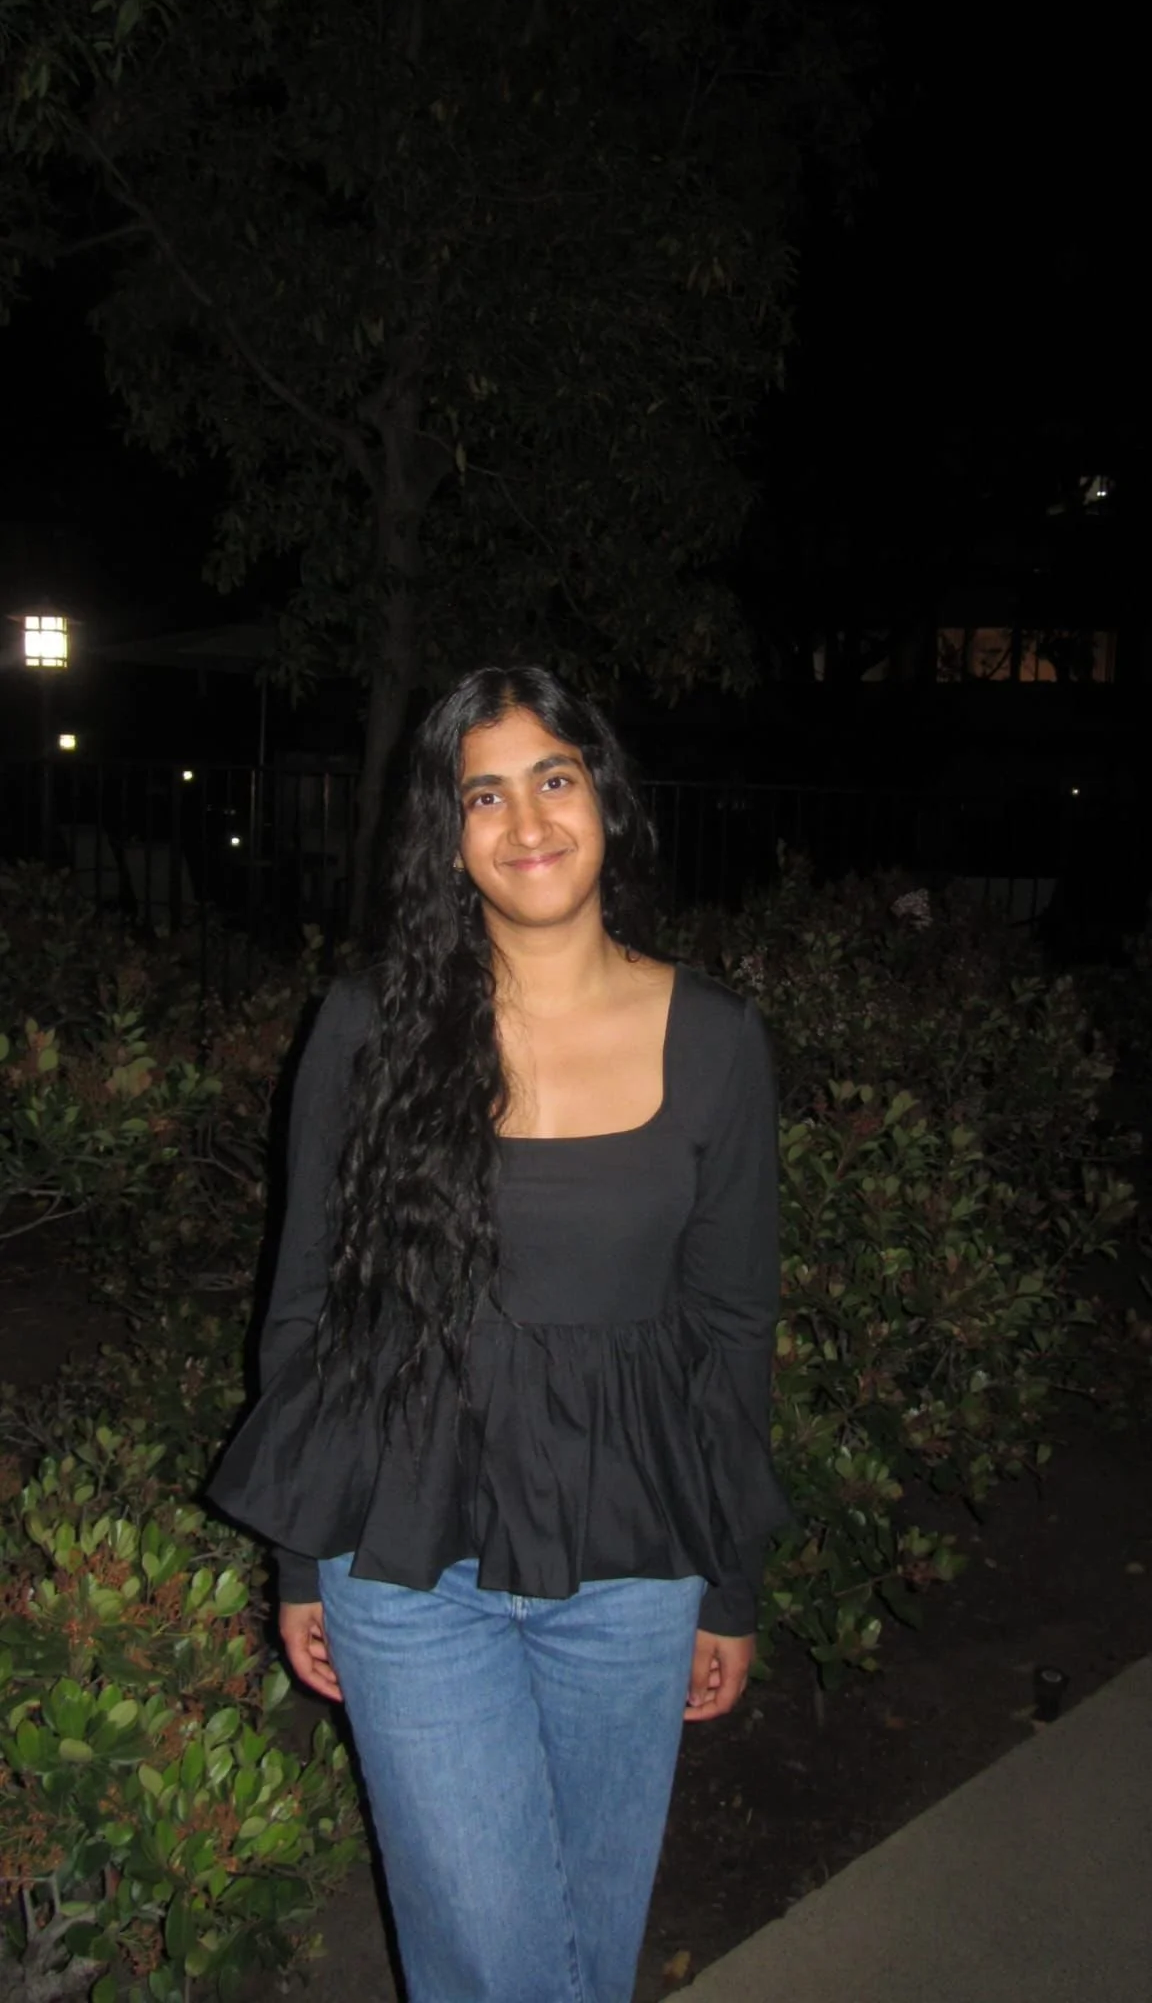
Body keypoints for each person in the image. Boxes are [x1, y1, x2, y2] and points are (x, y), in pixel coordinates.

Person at [211, 665, 791, 2003]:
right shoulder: (369, 1027)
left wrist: (731, 1581)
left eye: (555, 778)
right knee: (491, 1955)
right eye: (486, 792)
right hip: (406, 1560)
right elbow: (306, 1303)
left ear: (605, 802)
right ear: (447, 831)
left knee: (590, 1942)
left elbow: (731, 1323)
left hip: (635, 1561)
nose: (526, 821)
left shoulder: (714, 1041)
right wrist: (302, 1562)